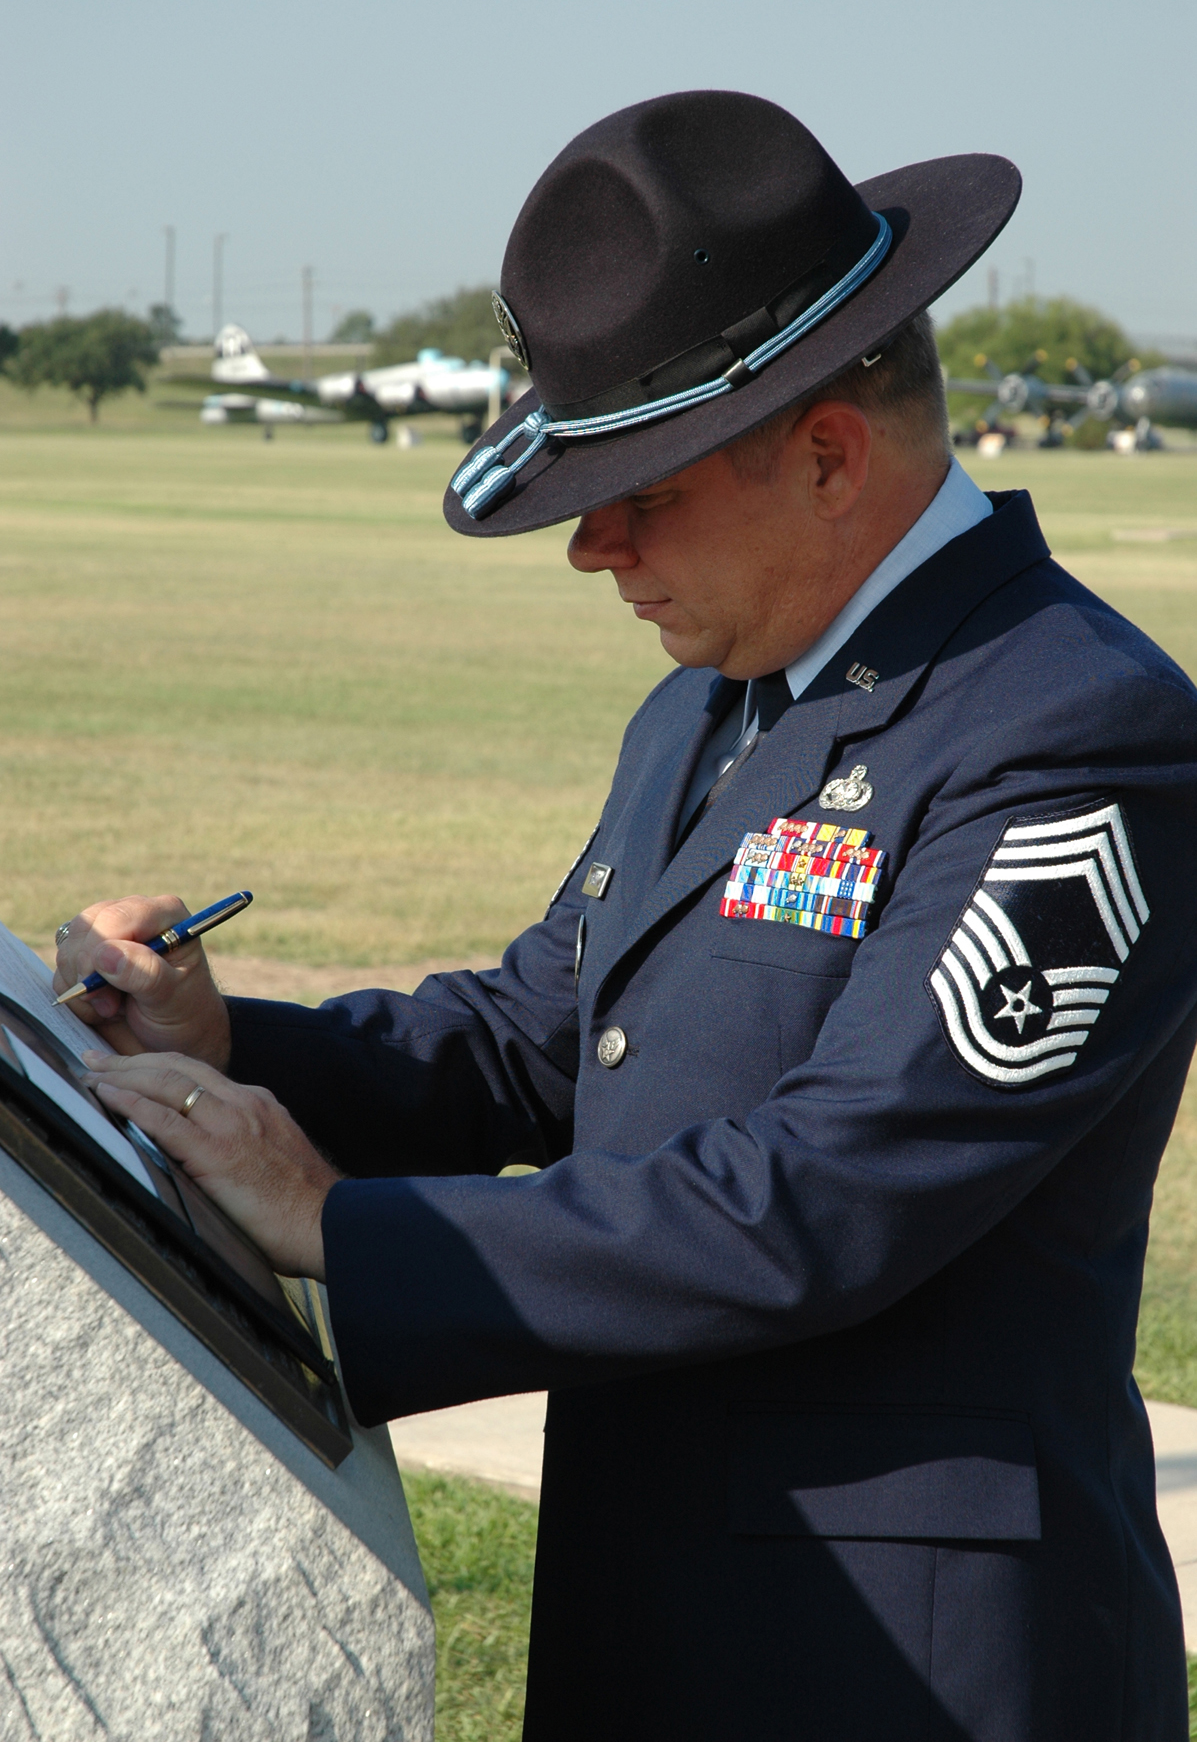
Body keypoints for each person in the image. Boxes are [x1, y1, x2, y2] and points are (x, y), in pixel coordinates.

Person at [59, 93, 1192, 1739]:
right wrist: (222, 1041)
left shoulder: (1070, 731)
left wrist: (338, 1224)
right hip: (656, 1604)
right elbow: (544, 1036)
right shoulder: (719, 697)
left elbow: (827, 1197)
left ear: (823, 455)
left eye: (642, 489)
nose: (592, 547)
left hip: (906, 1663)